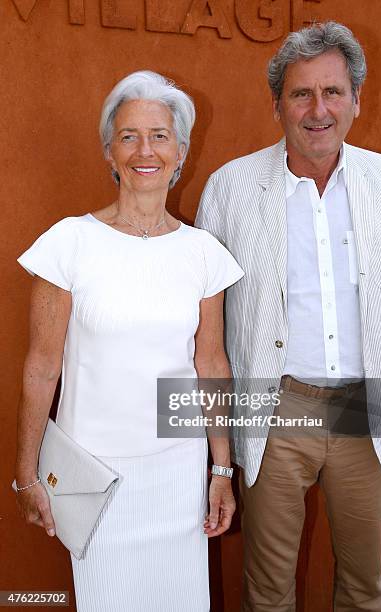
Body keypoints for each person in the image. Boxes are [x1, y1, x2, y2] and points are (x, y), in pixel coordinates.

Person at [196, 21, 381, 612]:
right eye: (301, 93)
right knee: (267, 592)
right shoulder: (229, 188)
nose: (319, 109)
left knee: (366, 587)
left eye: (333, 92)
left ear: (356, 100)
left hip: (366, 410)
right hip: (275, 410)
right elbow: (204, 322)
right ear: (278, 105)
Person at [14, 70, 244, 612]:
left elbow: (211, 364)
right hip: (95, 475)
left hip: (177, 473)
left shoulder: (203, 253)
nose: (146, 150)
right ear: (109, 152)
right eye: (129, 135)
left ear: (181, 151)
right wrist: (25, 473)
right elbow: (41, 367)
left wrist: (221, 470)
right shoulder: (69, 244)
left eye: (160, 135)